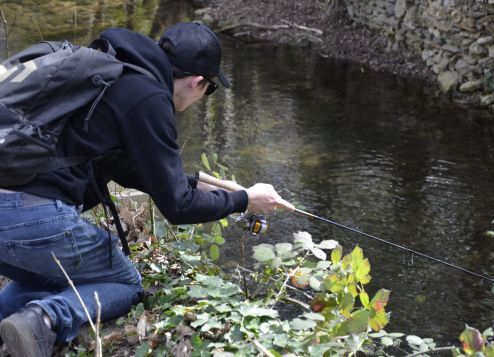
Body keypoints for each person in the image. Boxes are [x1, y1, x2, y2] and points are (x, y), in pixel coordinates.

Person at [0, 21, 293, 356]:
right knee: (125, 284)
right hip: (30, 217)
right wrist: (244, 200)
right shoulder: (150, 98)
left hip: (9, 218)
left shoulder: (116, 69)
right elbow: (178, 207)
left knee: (43, 278)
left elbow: (125, 168)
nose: (203, 96)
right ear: (198, 82)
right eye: (209, 89)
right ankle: (44, 319)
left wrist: (204, 183)